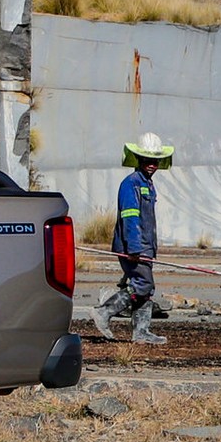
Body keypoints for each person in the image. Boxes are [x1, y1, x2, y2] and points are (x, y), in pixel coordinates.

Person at [93, 132, 172, 345]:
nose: (152, 165)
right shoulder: (131, 183)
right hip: (133, 247)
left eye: (155, 160)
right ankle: (105, 312)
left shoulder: (147, 184)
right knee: (143, 284)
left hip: (145, 247)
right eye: (147, 160)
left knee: (145, 286)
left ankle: (141, 332)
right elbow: (130, 216)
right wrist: (135, 247)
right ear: (138, 159)